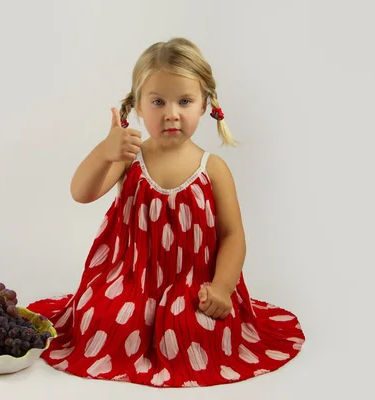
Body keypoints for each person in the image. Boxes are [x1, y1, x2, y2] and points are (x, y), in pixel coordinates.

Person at [27, 37, 305, 388]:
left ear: (204, 105)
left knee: (196, 329)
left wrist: (221, 288)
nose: (171, 113)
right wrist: (104, 152)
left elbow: (233, 236)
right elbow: (81, 193)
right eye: (158, 101)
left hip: (192, 282)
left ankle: (193, 322)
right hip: (129, 279)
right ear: (139, 107)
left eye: (184, 101)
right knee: (103, 319)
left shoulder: (213, 168)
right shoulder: (129, 158)